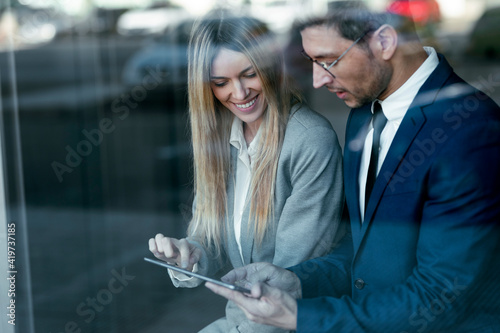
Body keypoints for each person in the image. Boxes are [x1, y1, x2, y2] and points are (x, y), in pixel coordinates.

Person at [206, 7, 500, 333]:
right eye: (311, 61)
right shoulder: (363, 112)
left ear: (385, 41)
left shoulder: (472, 131)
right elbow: (366, 250)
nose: (318, 80)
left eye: (328, 60)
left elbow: (439, 295)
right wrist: (298, 281)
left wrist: (300, 317)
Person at [148, 12, 344, 333]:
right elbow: (209, 240)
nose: (239, 94)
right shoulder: (224, 138)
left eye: (249, 74)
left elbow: (287, 281)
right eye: (221, 83)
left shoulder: (308, 138)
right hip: (245, 322)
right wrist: (188, 254)